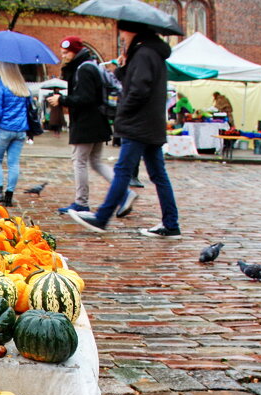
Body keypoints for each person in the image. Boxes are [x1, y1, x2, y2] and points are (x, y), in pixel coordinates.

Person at [71, 20, 181, 238]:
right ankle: (171, 223)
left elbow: (138, 90)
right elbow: (134, 82)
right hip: (150, 124)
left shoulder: (144, 54)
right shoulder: (150, 53)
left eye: (122, 31)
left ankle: (102, 218)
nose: (121, 36)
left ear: (132, 31)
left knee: (123, 171)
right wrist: (124, 66)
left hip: (138, 124)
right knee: (158, 174)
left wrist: (122, 114)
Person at [51, 35, 113, 215]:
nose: (63, 56)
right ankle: (124, 192)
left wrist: (62, 99)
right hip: (97, 122)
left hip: (86, 124)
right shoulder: (89, 65)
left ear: (75, 52)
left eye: (66, 52)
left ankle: (81, 202)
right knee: (95, 162)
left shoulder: (83, 69)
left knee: (79, 161)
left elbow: (86, 98)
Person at [0, 62, 31, 205]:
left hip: (2, 129)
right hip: (20, 131)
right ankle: (9, 195)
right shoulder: (23, 89)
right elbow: (29, 109)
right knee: (13, 164)